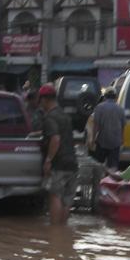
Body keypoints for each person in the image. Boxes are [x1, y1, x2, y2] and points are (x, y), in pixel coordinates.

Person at [39, 84, 78, 225]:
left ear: (44, 100)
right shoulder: (64, 115)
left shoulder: (50, 117)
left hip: (59, 164)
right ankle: (62, 232)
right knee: (67, 201)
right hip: (72, 164)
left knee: (55, 196)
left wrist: (48, 160)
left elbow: (55, 138)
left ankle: (55, 232)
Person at [92, 88, 126, 169]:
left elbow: (96, 126)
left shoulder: (99, 107)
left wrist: (93, 139)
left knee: (99, 165)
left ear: (105, 96)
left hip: (102, 141)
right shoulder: (120, 109)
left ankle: (99, 180)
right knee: (113, 166)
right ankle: (110, 180)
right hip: (115, 142)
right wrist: (122, 139)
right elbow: (123, 126)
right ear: (115, 97)